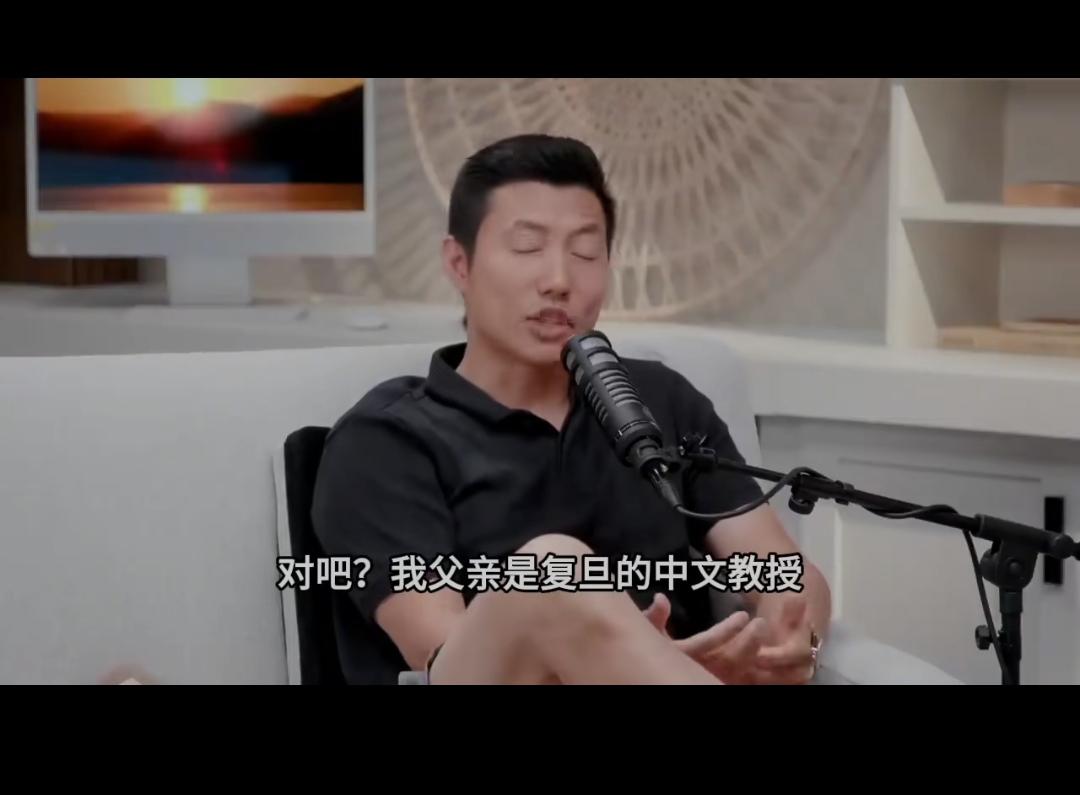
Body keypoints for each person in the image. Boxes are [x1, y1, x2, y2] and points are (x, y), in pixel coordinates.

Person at [312, 133, 831, 684]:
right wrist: (633, 661)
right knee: (551, 570)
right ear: (460, 264)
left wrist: (792, 643)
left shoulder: (659, 402)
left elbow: (785, 573)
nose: (559, 281)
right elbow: (443, 655)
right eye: (527, 248)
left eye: (585, 253)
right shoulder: (386, 440)